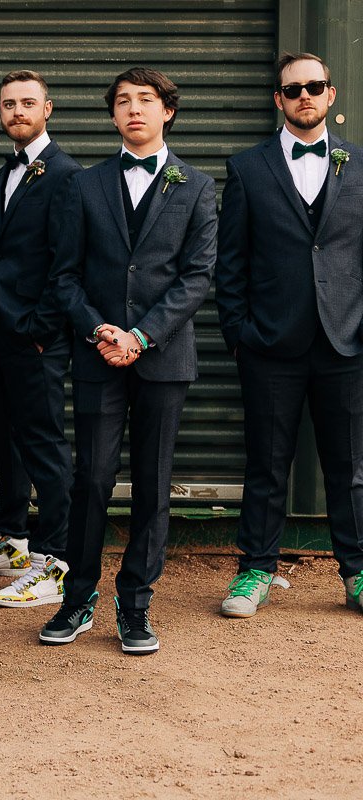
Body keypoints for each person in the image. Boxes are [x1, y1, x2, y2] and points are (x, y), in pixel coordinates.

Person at [39, 67, 216, 654]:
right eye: (123, 101)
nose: (134, 109)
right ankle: (77, 597)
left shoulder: (196, 185)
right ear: (112, 115)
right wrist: (99, 330)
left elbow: (197, 277)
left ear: (168, 110)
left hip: (164, 357)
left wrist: (141, 335)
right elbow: (64, 276)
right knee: (90, 479)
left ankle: (135, 603)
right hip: (99, 355)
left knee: (153, 483)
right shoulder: (84, 184)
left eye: (146, 99)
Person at [215, 52, 363, 617]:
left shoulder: (359, 164)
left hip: (345, 341)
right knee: (266, 465)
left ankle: (357, 572)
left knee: (350, 468)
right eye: (293, 89)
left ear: (330, 95)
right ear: (278, 99)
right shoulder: (247, 167)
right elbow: (231, 262)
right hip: (269, 346)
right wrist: (239, 335)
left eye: (314, 87)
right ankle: (255, 570)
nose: (305, 96)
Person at [0, 70, 82, 608]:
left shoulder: (67, 175)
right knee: (5, 440)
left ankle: (55, 562)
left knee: (44, 447)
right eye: (8, 104)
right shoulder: (2, 174)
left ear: (47, 109)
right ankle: (10, 538)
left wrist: (40, 330)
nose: (17, 112)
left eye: (27, 103)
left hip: (35, 338)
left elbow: (67, 262)